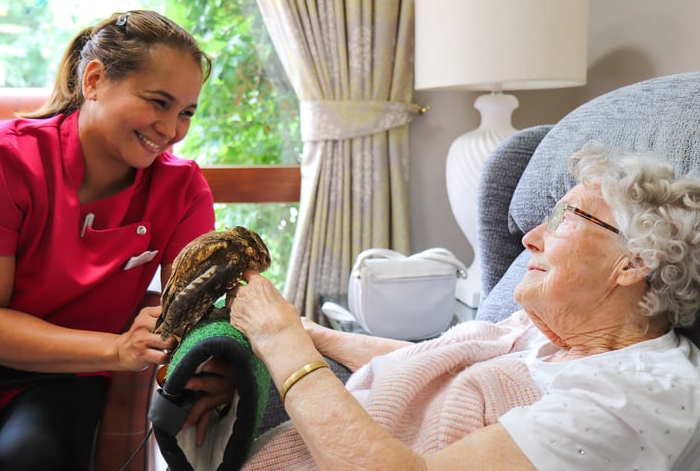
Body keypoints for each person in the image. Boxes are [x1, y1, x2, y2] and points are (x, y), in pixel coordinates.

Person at [228, 143, 700, 470]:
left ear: (634, 262)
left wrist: (281, 341)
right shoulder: (558, 331)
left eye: (564, 219)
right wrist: (314, 335)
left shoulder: (632, 399)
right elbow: (433, 366)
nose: (531, 238)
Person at [0, 10, 233, 470]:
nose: (171, 129)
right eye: (158, 102)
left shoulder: (182, 190)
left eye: (185, 113)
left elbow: (198, 310)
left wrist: (220, 367)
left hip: (64, 372)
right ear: (95, 80)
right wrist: (117, 349)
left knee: (35, 455)